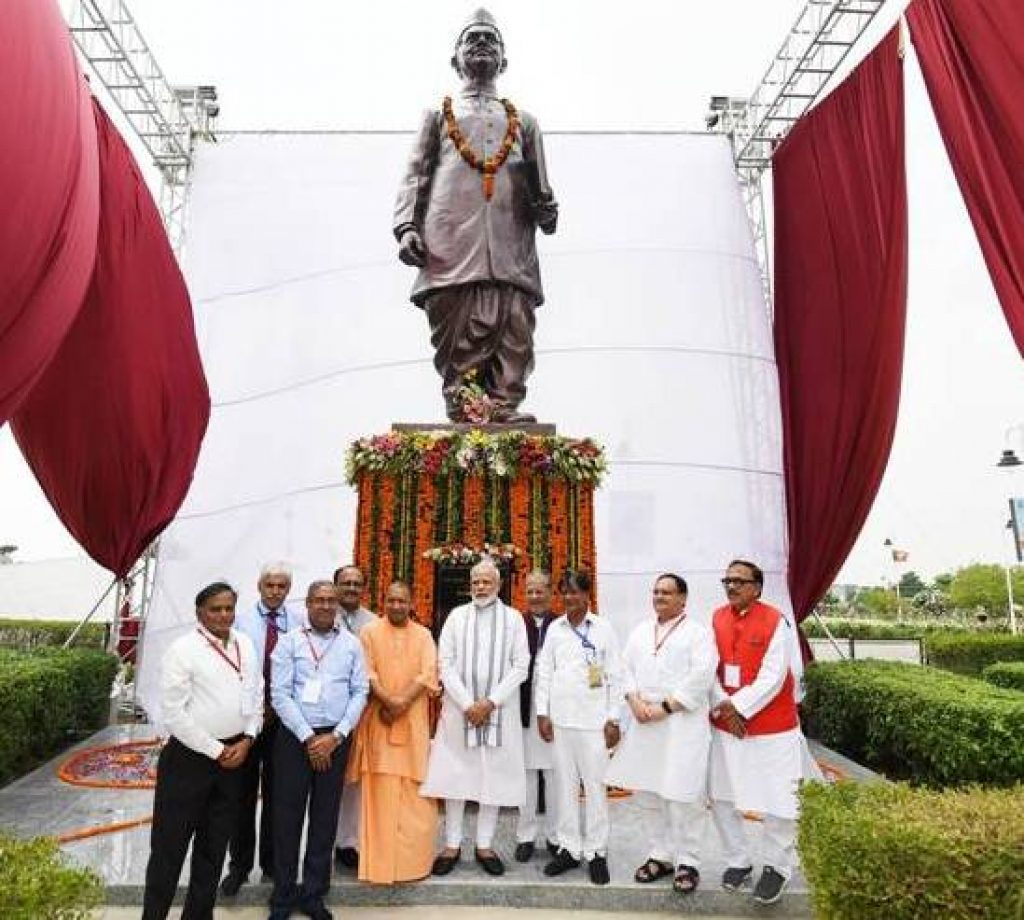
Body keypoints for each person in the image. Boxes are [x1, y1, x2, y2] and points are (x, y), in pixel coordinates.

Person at [393, 8, 558, 423]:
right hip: (450, 243)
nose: (482, 44)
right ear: (456, 60)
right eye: (473, 39)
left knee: (514, 323)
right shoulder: (437, 116)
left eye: (490, 40)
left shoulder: (526, 123)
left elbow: (543, 194)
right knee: (458, 324)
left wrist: (547, 209)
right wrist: (407, 226)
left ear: (503, 61)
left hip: (511, 243)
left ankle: (503, 405)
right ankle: (465, 405)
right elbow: (416, 173)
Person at [142, 582, 262, 920]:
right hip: (190, 761)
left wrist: (249, 738)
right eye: (215, 609)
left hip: (235, 758)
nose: (224, 615)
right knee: (169, 848)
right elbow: (174, 714)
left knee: (213, 848)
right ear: (200, 613)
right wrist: (216, 750)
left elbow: (256, 696)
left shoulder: (246, 645)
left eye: (229, 608)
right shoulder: (183, 649)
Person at [708, 559, 821, 906]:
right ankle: (737, 860)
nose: (731, 587)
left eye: (739, 582)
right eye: (727, 580)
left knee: (779, 798)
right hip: (727, 726)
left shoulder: (777, 621)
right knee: (722, 795)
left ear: (756, 588)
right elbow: (708, 668)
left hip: (771, 728)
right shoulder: (716, 617)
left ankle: (777, 867)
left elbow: (773, 678)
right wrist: (726, 708)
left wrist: (736, 707)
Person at [605, 573, 718, 895]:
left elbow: (702, 676)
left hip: (681, 723)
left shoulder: (698, 633)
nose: (659, 597)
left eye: (667, 592)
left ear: (683, 599)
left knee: (683, 795)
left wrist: (665, 708)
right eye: (656, 591)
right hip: (645, 721)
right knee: (649, 794)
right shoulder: (641, 631)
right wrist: (634, 700)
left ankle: (688, 860)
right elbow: (622, 670)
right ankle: (660, 854)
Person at [420, 558, 529, 876]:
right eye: (476, 582)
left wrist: (490, 702)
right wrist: (469, 703)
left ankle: (484, 845)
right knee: (457, 776)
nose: (481, 587)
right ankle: (452, 845)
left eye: (487, 582)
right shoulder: (456, 616)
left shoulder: (513, 619)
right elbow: (445, 662)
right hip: (459, 711)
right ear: (470, 585)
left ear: (498, 584)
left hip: (499, 711)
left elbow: (521, 665)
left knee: (492, 776)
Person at [269, 581, 368, 920]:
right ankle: (282, 895)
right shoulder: (289, 641)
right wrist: (310, 738)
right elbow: (279, 694)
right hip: (296, 741)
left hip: (335, 740)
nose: (326, 606)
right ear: (308, 604)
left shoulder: (352, 644)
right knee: (287, 818)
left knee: (324, 819)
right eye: (319, 600)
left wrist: (337, 736)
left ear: (337, 605)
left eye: (331, 600)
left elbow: (360, 692)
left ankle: (313, 894)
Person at [534, 569, 623, 886]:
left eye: (575, 592)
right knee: (565, 788)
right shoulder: (555, 630)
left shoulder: (604, 629)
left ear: (588, 595)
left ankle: (597, 851)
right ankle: (570, 849)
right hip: (561, 723)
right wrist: (542, 714)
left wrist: (614, 718)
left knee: (596, 788)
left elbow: (615, 675)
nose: (570, 598)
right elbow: (544, 673)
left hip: (594, 724)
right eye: (565, 592)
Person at [346, 581, 438, 883]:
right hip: (379, 720)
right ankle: (379, 865)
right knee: (380, 791)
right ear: (383, 601)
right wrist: (387, 699)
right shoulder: (369, 632)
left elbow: (428, 673)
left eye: (402, 601)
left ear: (411, 603)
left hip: (412, 722)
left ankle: (412, 865)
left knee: (415, 793)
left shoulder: (423, 635)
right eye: (391, 600)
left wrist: (401, 702)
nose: (396, 606)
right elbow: (365, 671)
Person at [222, 562, 298, 896]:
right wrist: (254, 711)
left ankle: (270, 864)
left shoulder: (299, 622)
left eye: (282, 586)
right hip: (247, 722)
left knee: (279, 796)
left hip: (284, 723)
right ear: (259, 585)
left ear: (289, 589)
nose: (275, 591)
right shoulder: (239, 622)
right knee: (241, 795)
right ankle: (238, 866)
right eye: (270, 585)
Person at [331, 564, 377, 871]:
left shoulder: (373, 623)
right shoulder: (319, 614)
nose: (351, 588)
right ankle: (321, 839)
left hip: (361, 713)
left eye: (356, 583)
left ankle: (347, 842)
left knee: (353, 782)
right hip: (324, 715)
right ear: (335, 586)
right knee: (323, 782)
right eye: (345, 583)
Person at [514, 570, 558, 862]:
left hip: (556, 712)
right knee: (527, 775)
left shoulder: (562, 625)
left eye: (539, 590)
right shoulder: (517, 623)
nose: (534, 596)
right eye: (530, 591)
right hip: (524, 708)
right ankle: (526, 836)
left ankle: (556, 837)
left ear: (550, 592)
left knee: (555, 776)